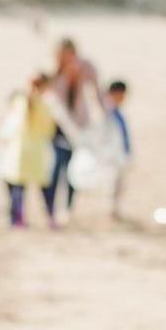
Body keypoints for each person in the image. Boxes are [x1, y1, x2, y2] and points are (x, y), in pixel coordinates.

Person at [46, 37, 102, 224]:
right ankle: (50, 210)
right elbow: (54, 103)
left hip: (79, 126)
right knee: (55, 168)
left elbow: (96, 89)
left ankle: (67, 208)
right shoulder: (53, 74)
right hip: (58, 127)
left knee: (73, 170)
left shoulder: (84, 68)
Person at [0, 72, 58, 228]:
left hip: (18, 150)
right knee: (45, 188)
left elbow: (8, 128)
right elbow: (49, 131)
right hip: (37, 151)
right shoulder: (43, 106)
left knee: (18, 187)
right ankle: (50, 218)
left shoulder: (19, 102)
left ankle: (17, 219)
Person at [104, 79, 132, 222]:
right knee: (112, 183)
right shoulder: (106, 111)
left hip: (119, 154)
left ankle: (115, 210)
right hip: (111, 154)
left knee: (119, 184)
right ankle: (111, 211)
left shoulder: (117, 111)